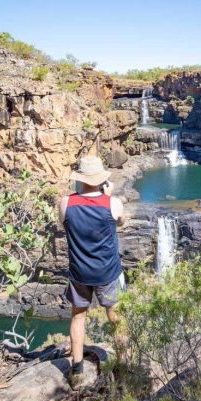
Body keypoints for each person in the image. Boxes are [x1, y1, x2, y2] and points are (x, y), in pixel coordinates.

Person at [58, 155, 126, 386]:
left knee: (78, 316)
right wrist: (107, 197)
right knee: (116, 318)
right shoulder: (112, 204)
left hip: (79, 273)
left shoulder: (66, 203)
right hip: (107, 272)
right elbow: (121, 222)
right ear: (101, 179)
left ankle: (76, 370)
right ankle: (124, 365)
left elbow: (64, 223)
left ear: (80, 179)